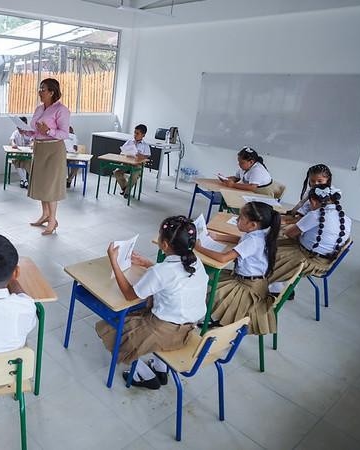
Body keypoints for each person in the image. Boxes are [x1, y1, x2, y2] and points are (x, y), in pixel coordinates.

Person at [96, 216, 208, 390]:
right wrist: (148, 264)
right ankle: (160, 368)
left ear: (164, 244)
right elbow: (174, 277)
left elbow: (129, 295)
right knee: (144, 309)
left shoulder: (161, 271)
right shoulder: (195, 262)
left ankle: (145, 375)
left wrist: (114, 263)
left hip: (165, 331)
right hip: (189, 329)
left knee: (111, 330)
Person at [194, 201, 281, 335]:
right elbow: (240, 240)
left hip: (247, 288)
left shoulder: (253, 241)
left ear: (252, 225)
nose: (237, 220)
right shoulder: (259, 233)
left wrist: (198, 247)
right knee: (208, 278)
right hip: (250, 281)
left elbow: (223, 258)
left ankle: (214, 317)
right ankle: (217, 317)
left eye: (240, 218)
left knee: (207, 287)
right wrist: (218, 236)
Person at [270, 185, 351, 291]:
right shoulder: (346, 219)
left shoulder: (315, 215)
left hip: (308, 260)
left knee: (270, 249)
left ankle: (276, 289)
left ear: (312, 201)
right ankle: (280, 286)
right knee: (278, 240)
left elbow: (290, 233)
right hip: (326, 262)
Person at [22, 78, 70, 235]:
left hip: (54, 149)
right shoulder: (39, 109)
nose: (40, 92)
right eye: (40, 88)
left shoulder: (61, 110)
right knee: (42, 184)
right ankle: (45, 215)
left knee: (51, 186)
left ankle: (52, 221)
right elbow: (36, 131)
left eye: (43, 89)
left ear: (52, 92)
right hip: (40, 148)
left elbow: (64, 134)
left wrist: (48, 131)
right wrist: (26, 131)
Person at [114, 124, 151, 199]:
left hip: (138, 165)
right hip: (127, 163)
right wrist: (125, 153)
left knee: (134, 175)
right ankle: (125, 188)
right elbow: (122, 152)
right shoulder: (129, 142)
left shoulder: (145, 146)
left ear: (143, 135)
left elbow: (147, 157)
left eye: (137, 133)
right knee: (116, 172)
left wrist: (140, 155)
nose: (135, 135)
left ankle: (126, 192)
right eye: (134, 132)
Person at [10, 116, 34, 189]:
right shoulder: (15, 133)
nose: (20, 128)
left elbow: (32, 141)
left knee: (23, 161)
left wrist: (31, 144)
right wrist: (13, 144)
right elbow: (12, 140)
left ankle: (23, 180)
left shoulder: (29, 133)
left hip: (27, 154)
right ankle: (25, 181)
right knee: (16, 160)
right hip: (18, 154)